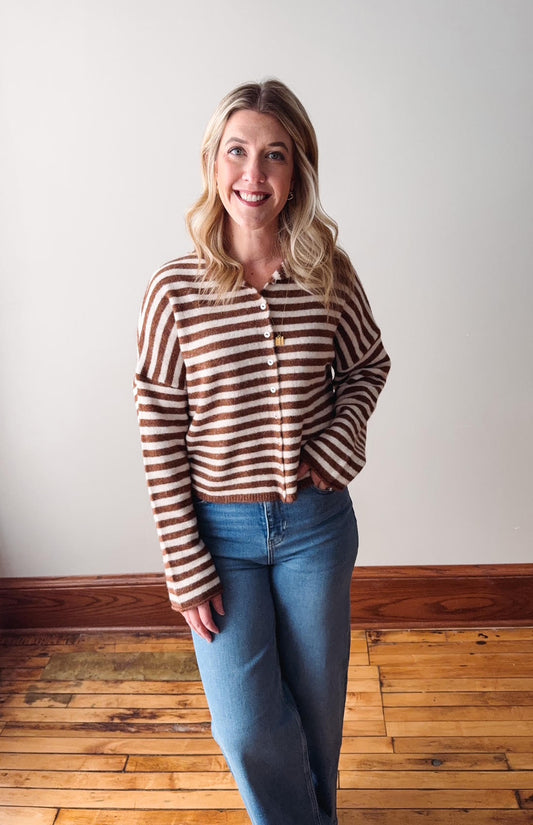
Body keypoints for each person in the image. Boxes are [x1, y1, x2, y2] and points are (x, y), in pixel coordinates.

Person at [134, 79, 390, 825]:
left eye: (274, 156)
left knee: (315, 713)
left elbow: (367, 365)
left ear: (297, 171)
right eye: (238, 151)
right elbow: (156, 426)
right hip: (220, 538)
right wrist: (184, 561)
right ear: (213, 163)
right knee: (246, 726)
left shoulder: (326, 273)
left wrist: (339, 442)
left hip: (315, 527)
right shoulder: (174, 290)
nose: (254, 173)